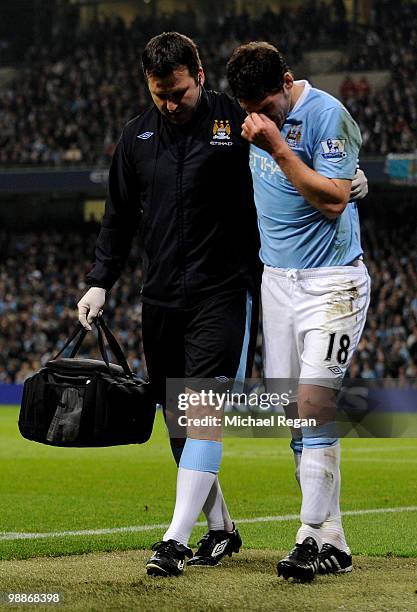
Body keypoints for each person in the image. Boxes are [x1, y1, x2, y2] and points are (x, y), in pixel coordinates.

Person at [77, 32, 261, 577]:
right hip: (159, 298)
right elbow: (119, 217)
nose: (169, 104)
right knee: (177, 421)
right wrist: (99, 280)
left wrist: (343, 180)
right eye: (159, 95)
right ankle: (222, 529)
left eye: (178, 92)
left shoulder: (237, 123)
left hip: (223, 291)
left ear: (199, 77)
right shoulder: (135, 136)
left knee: (200, 406)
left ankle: (174, 539)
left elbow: (286, 158)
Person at [226, 42, 371, 582]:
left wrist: (277, 146)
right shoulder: (248, 116)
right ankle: (333, 540)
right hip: (276, 283)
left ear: (288, 80)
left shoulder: (326, 113)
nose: (257, 118)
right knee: (295, 417)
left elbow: (334, 199)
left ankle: (308, 535)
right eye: (249, 110)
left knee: (314, 404)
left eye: (265, 105)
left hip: (333, 282)